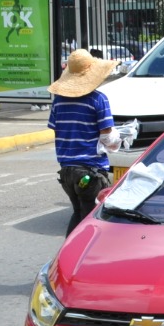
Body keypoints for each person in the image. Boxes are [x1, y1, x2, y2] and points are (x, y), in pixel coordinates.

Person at [48, 49, 119, 235]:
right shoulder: (98, 100)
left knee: (79, 213)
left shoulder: (58, 102)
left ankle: (68, 254)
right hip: (89, 170)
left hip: (67, 172)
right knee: (92, 220)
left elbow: (59, 130)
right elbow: (107, 138)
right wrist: (119, 140)